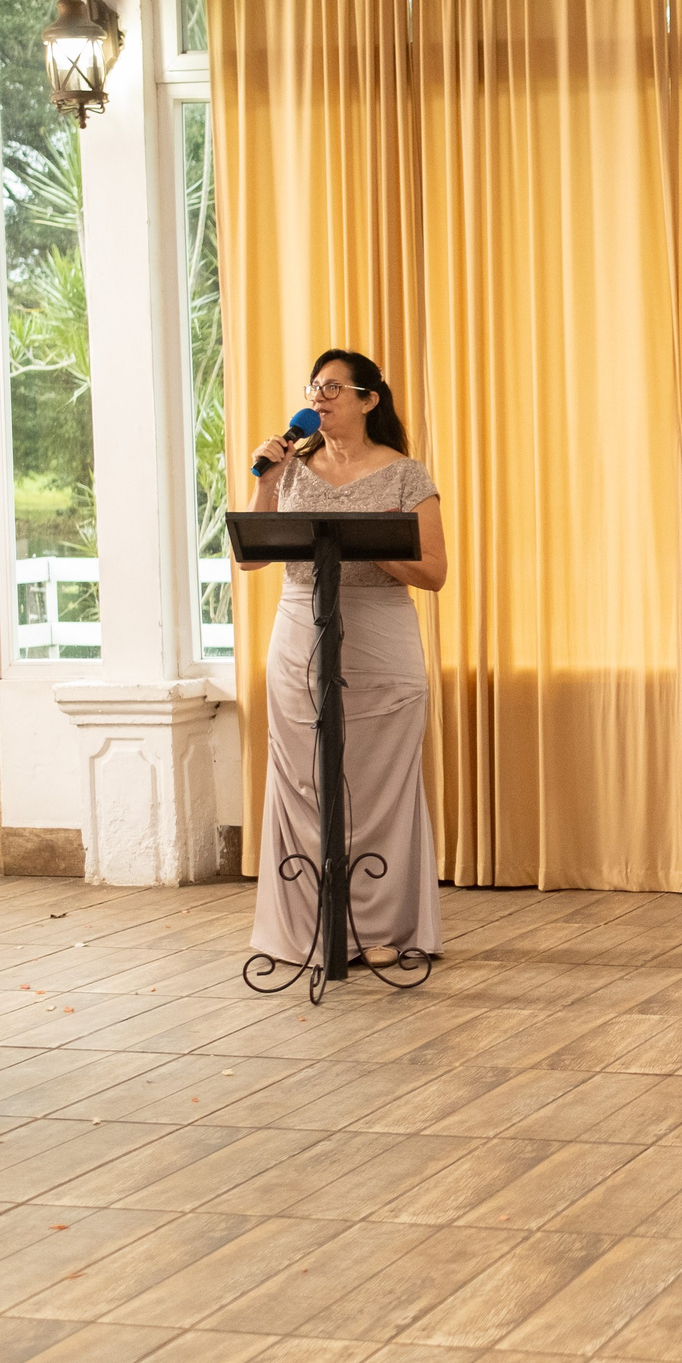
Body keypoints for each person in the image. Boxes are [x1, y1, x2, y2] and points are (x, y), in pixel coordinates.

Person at [241, 349, 447, 971]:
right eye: (314, 386)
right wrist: (266, 481)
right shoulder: (290, 469)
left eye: (333, 387)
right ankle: (307, 926)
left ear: (368, 400)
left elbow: (434, 573)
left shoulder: (406, 474)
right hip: (301, 628)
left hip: (379, 632)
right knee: (304, 777)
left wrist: (368, 541)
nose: (319, 397)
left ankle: (379, 926)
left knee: (376, 781)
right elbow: (252, 557)